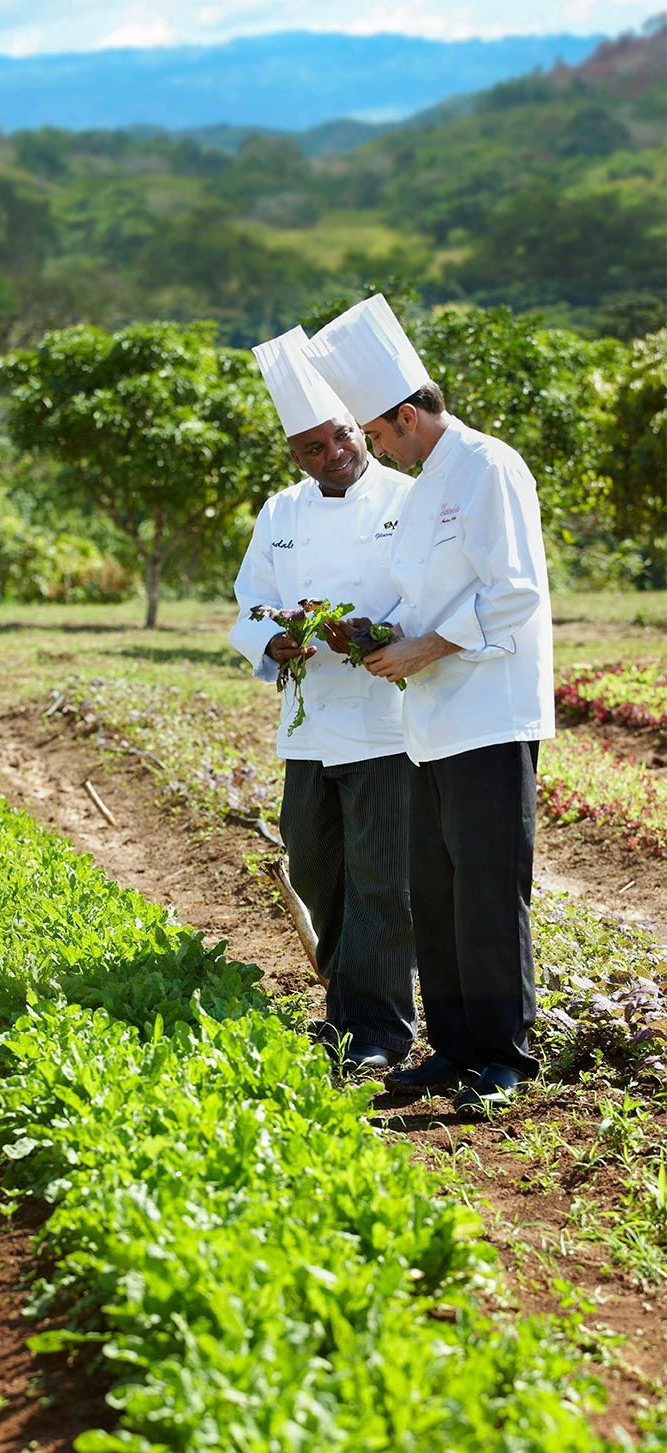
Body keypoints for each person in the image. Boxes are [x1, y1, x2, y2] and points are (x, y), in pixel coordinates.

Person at [304, 294, 554, 1116]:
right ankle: (451, 1049)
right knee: (438, 892)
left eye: (374, 434)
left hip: (489, 713)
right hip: (431, 723)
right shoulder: (421, 490)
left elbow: (513, 593)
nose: (371, 448)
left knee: (487, 889)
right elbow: (426, 601)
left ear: (407, 416)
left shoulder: (489, 466)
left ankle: (505, 1055)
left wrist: (423, 648)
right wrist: (374, 637)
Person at [229, 325, 416, 1072]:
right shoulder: (280, 514)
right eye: (313, 447)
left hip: (387, 725)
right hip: (308, 732)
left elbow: (427, 601)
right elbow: (249, 603)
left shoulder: (410, 498)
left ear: (358, 427)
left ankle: (378, 1032)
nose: (333, 453)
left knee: (381, 881)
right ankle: (350, 1009)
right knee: (312, 868)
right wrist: (273, 640)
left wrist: (374, 636)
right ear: (295, 457)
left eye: (341, 436)